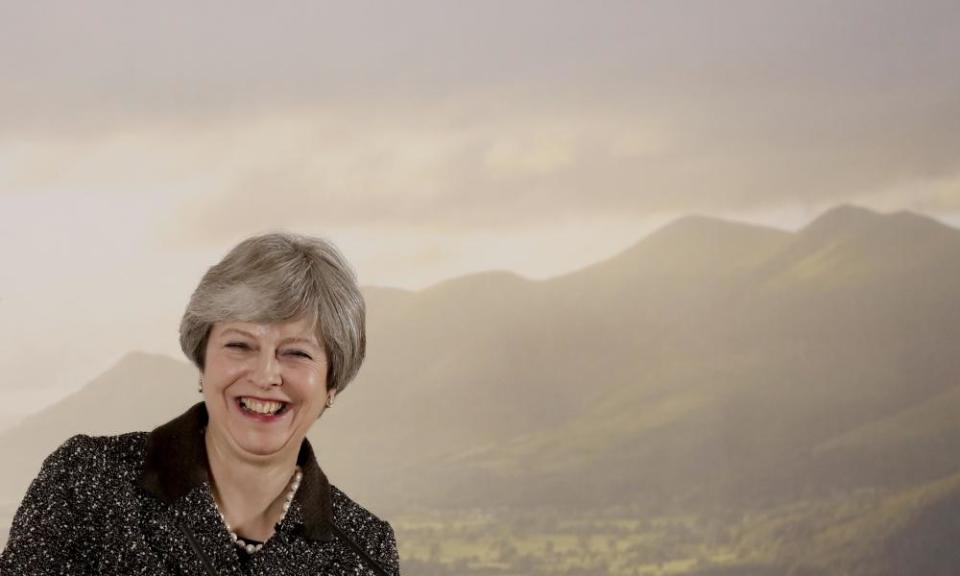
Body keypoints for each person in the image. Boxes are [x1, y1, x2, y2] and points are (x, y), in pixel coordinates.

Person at [0, 232, 400, 575]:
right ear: (202, 361)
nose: (265, 375)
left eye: (296, 353)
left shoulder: (365, 551)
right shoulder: (87, 481)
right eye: (239, 345)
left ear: (332, 383)